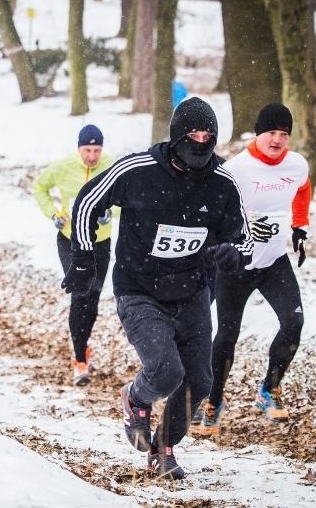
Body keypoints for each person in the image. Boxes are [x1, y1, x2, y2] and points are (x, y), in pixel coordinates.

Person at [65, 97, 253, 480]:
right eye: (194, 134)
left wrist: (234, 253)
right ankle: (135, 399)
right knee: (166, 371)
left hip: (193, 290)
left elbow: (244, 237)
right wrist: (83, 258)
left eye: (209, 136)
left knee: (200, 379)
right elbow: (87, 201)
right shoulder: (140, 170)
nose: (201, 142)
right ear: (177, 136)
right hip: (139, 288)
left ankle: (162, 449)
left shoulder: (222, 181)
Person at [197, 103, 311, 436]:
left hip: (274, 260)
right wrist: (244, 229)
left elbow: (302, 190)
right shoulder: (236, 169)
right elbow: (214, 215)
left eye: (284, 134)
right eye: (271, 133)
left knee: (294, 321)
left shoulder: (296, 164)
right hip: (237, 265)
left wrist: (299, 227)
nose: (277, 140)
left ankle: (269, 389)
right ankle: (214, 401)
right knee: (227, 335)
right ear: (258, 133)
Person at [32, 124, 115, 386]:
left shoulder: (112, 167)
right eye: (87, 150)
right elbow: (39, 187)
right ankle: (79, 360)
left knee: (93, 297)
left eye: (96, 150)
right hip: (71, 240)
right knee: (80, 292)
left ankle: (83, 346)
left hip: (100, 241)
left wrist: (111, 212)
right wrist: (54, 214)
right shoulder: (63, 166)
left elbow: (127, 200)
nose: (92, 156)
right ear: (79, 148)